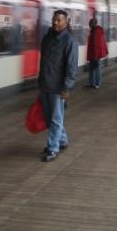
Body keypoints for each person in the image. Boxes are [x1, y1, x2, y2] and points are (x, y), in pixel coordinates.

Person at [38, 10, 78, 162]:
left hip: (58, 87)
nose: (55, 22)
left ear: (66, 22)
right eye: (54, 20)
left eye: (59, 20)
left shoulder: (69, 41)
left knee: (55, 118)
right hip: (45, 84)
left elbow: (72, 67)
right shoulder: (48, 38)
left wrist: (66, 87)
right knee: (49, 118)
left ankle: (52, 148)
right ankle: (62, 140)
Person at [86, 18, 108, 89]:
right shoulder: (94, 31)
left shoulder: (96, 32)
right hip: (94, 54)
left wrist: (95, 56)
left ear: (94, 23)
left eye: (90, 23)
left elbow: (96, 45)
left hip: (95, 55)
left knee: (96, 69)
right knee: (92, 69)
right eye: (89, 23)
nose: (89, 25)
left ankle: (96, 84)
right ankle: (92, 83)